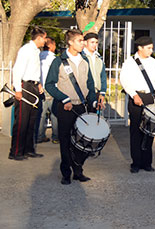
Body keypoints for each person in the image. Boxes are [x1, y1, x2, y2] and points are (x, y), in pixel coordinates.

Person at [45, 29, 103, 184]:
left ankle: (78, 171)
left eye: (83, 40)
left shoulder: (84, 61)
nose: (83, 43)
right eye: (80, 40)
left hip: (81, 107)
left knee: (81, 142)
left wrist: (93, 101)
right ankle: (66, 173)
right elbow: (49, 85)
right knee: (65, 141)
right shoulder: (58, 61)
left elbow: (90, 85)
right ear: (70, 42)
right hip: (65, 108)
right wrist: (64, 99)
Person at [120, 36, 155, 173]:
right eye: (148, 48)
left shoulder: (154, 63)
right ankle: (136, 162)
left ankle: (147, 162)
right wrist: (134, 95)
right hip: (136, 97)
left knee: (149, 131)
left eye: (151, 48)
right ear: (140, 48)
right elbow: (124, 80)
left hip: (150, 97)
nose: (151, 51)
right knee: (136, 131)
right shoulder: (130, 62)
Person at [9, 27, 47, 161]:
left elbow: (36, 70)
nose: (45, 40)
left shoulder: (36, 51)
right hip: (25, 86)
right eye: (44, 38)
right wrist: (18, 89)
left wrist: (39, 83)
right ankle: (16, 152)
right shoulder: (26, 50)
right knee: (21, 121)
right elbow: (17, 69)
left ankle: (28, 149)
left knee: (32, 120)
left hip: (34, 86)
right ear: (38, 38)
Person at [37, 37, 59, 144]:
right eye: (54, 45)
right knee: (55, 113)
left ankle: (39, 135)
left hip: (40, 88)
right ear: (50, 46)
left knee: (41, 113)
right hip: (52, 87)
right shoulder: (53, 59)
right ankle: (56, 136)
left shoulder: (38, 57)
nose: (55, 48)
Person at [82, 33, 107, 108]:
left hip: (97, 93)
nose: (94, 45)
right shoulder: (81, 56)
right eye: (92, 42)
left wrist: (102, 93)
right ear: (85, 42)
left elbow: (103, 76)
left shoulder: (98, 58)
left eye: (96, 42)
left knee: (95, 117)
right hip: (85, 93)